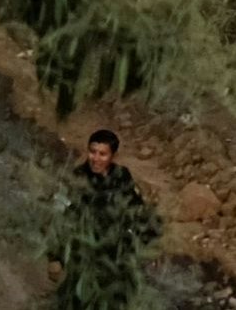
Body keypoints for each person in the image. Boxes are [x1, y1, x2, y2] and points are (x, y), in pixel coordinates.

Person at [47, 127, 160, 310]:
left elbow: (136, 209)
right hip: (83, 254)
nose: (95, 158)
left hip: (114, 254)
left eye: (102, 154)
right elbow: (60, 218)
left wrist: (148, 243)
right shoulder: (77, 179)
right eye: (92, 152)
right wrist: (55, 257)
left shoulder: (122, 176)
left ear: (112, 156)